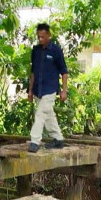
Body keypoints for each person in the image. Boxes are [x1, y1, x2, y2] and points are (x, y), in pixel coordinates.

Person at [27, 23, 68, 152]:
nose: (40, 39)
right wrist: (30, 90)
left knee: (40, 114)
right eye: (38, 37)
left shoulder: (56, 50)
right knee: (48, 114)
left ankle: (35, 141)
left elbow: (64, 72)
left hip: (50, 89)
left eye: (43, 37)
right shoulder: (36, 50)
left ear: (49, 36)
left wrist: (64, 90)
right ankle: (58, 138)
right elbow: (33, 72)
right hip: (38, 89)